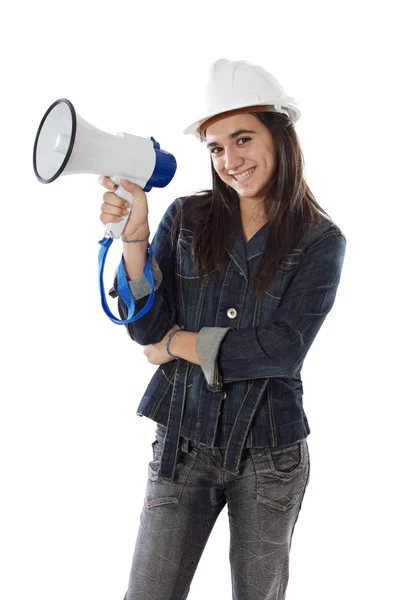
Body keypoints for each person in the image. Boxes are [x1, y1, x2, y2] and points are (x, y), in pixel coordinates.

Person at [99, 58, 346, 600]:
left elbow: (282, 350)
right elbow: (145, 331)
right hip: (180, 446)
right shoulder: (186, 218)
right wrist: (134, 241)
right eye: (215, 147)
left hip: (270, 455)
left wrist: (178, 345)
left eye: (242, 139)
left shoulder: (321, 241)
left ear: (280, 138)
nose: (230, 160)